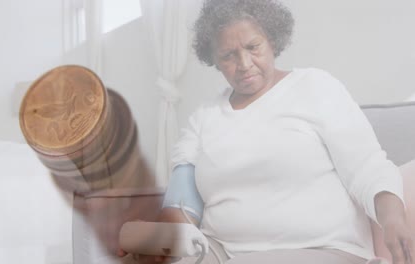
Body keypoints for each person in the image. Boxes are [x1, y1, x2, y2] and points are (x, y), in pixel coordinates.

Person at [118, 0, 414, 263]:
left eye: (253, 47)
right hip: (218, 249)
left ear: (272, 39)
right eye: (228, 56)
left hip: (318, 249)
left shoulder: (315, 87)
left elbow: (366, 167)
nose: (244, 64)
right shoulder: (203, 118)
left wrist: (392, 219)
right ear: (214, 60)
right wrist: (156, 243)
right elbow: (182, 206)